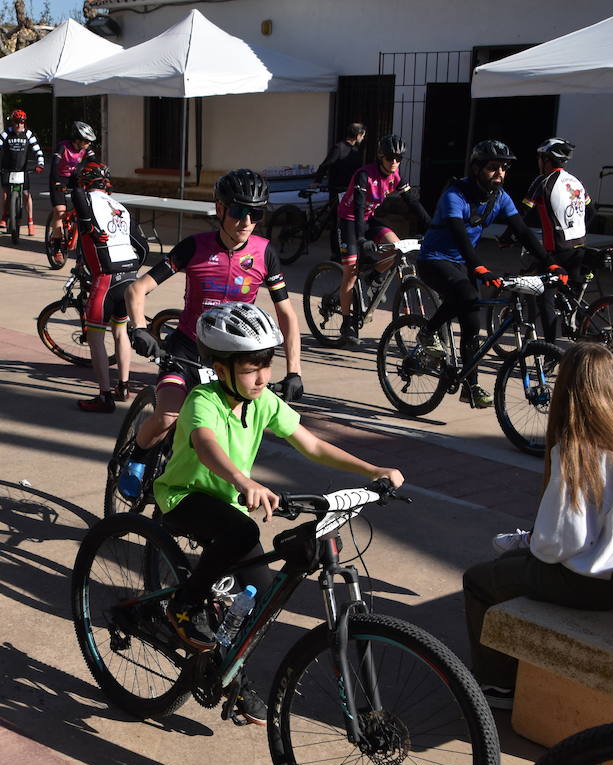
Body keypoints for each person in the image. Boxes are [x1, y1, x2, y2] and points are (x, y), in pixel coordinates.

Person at [153, 303, 404, 723]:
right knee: (240, 533)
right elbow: (204, 444)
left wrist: (372, 470)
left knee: (260, 591)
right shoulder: (204, 399)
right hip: (184, 497)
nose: (263, 376)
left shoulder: (263, 401)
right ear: (220, 366)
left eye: (266, 364)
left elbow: (312, 444)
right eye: (252, 368)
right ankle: (184, 603)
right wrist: (243, 480)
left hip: (229, 501)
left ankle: (230, 675)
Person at [463, 342, 613, 709]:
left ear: (566, 387)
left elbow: (559, 544)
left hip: (590, 586)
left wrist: (527, 542)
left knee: (481, 579)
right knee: (509, 566)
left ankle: (498, 686)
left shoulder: (581, 448)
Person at [120, 168, 304, 499]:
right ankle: (137, 456)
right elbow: (137, 289)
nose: (246, 221)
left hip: (233, 359)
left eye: (256, 213)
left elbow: (287, 316)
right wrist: (140, 329)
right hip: (187, 349)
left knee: (224, 438)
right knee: (167, 416)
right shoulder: (194, 247)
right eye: (238, 211)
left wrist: (294, 372)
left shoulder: (265, 253)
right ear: (219, 208)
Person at [416, 140, 554, 408]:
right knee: (467, 294)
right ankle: (428, 332)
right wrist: (480, 267)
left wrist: (549, 263)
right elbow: (459, 235)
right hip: (434, 259)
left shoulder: (500, 197)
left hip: (462, 263)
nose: (500, 173)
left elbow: (522, 231)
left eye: (504, 168)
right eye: (493, 167)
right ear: (477, 168)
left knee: (472, 324)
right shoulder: (455, 194)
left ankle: (471, 387)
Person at [333, 133, 430, 345]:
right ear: (380, 156)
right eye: (390, 158)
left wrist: (432, 227)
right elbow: (358, 208)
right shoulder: (364, 175)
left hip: (369, 219)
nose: (394, 162)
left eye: (399, 158)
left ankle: (372, 278)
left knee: (396, 247)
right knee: (350, 272)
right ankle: (347, 322)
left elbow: (412, 202)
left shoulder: (395, 177)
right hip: (349, 220)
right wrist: (360, 238)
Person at [70, 161, 145, 413]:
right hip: (130, 275)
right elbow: (142, 246)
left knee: (95, 337)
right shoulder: (121, 207)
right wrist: (134, 270)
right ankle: (123, 386)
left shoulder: (86, 200)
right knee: (120, 331)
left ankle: (104, 395)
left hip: (106, 277)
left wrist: (90, 227)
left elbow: (77, 195)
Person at [520, 137, 587, 342]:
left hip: (556, 250)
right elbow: (591, 211)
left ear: (547, 160)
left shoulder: (542, 182)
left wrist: (507, 237)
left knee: (545, 300)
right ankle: (576, 325)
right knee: (571, 297)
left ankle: (549, 352)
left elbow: (521, 215)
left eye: (541, 158)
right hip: (579, 245)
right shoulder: (575, 181)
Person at [0, 109, 44, 235]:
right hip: (7, 169)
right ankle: (4, 216)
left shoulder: (28, 134)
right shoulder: (5, 134)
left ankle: (30, 221)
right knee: (5, 193)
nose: (19, 125)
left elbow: (38, 151)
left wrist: (40, 164)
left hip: (22, 170)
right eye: (17, 122)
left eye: (22, 123)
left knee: (26, 194)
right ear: (12, 123)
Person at [312, 122, 366, 246]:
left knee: (347, 220)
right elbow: (326, 165)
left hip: (350, 190)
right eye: (362, 135)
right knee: (336, 221)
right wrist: (317, 181)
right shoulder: (339, 147)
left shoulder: (356, 151)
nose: (363, 138)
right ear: (357, 135)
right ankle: (335, 252)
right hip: (337, 189)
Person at [46, 121, 97, 240]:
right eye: (86, 141)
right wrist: (57, 183)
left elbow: (94, 162)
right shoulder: (63, 147)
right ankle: (57, 243)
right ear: (77, 140)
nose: (89, 143)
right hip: (58, 178)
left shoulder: (86, 148)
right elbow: (54, 165)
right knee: (60, 211)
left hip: (74, 178)